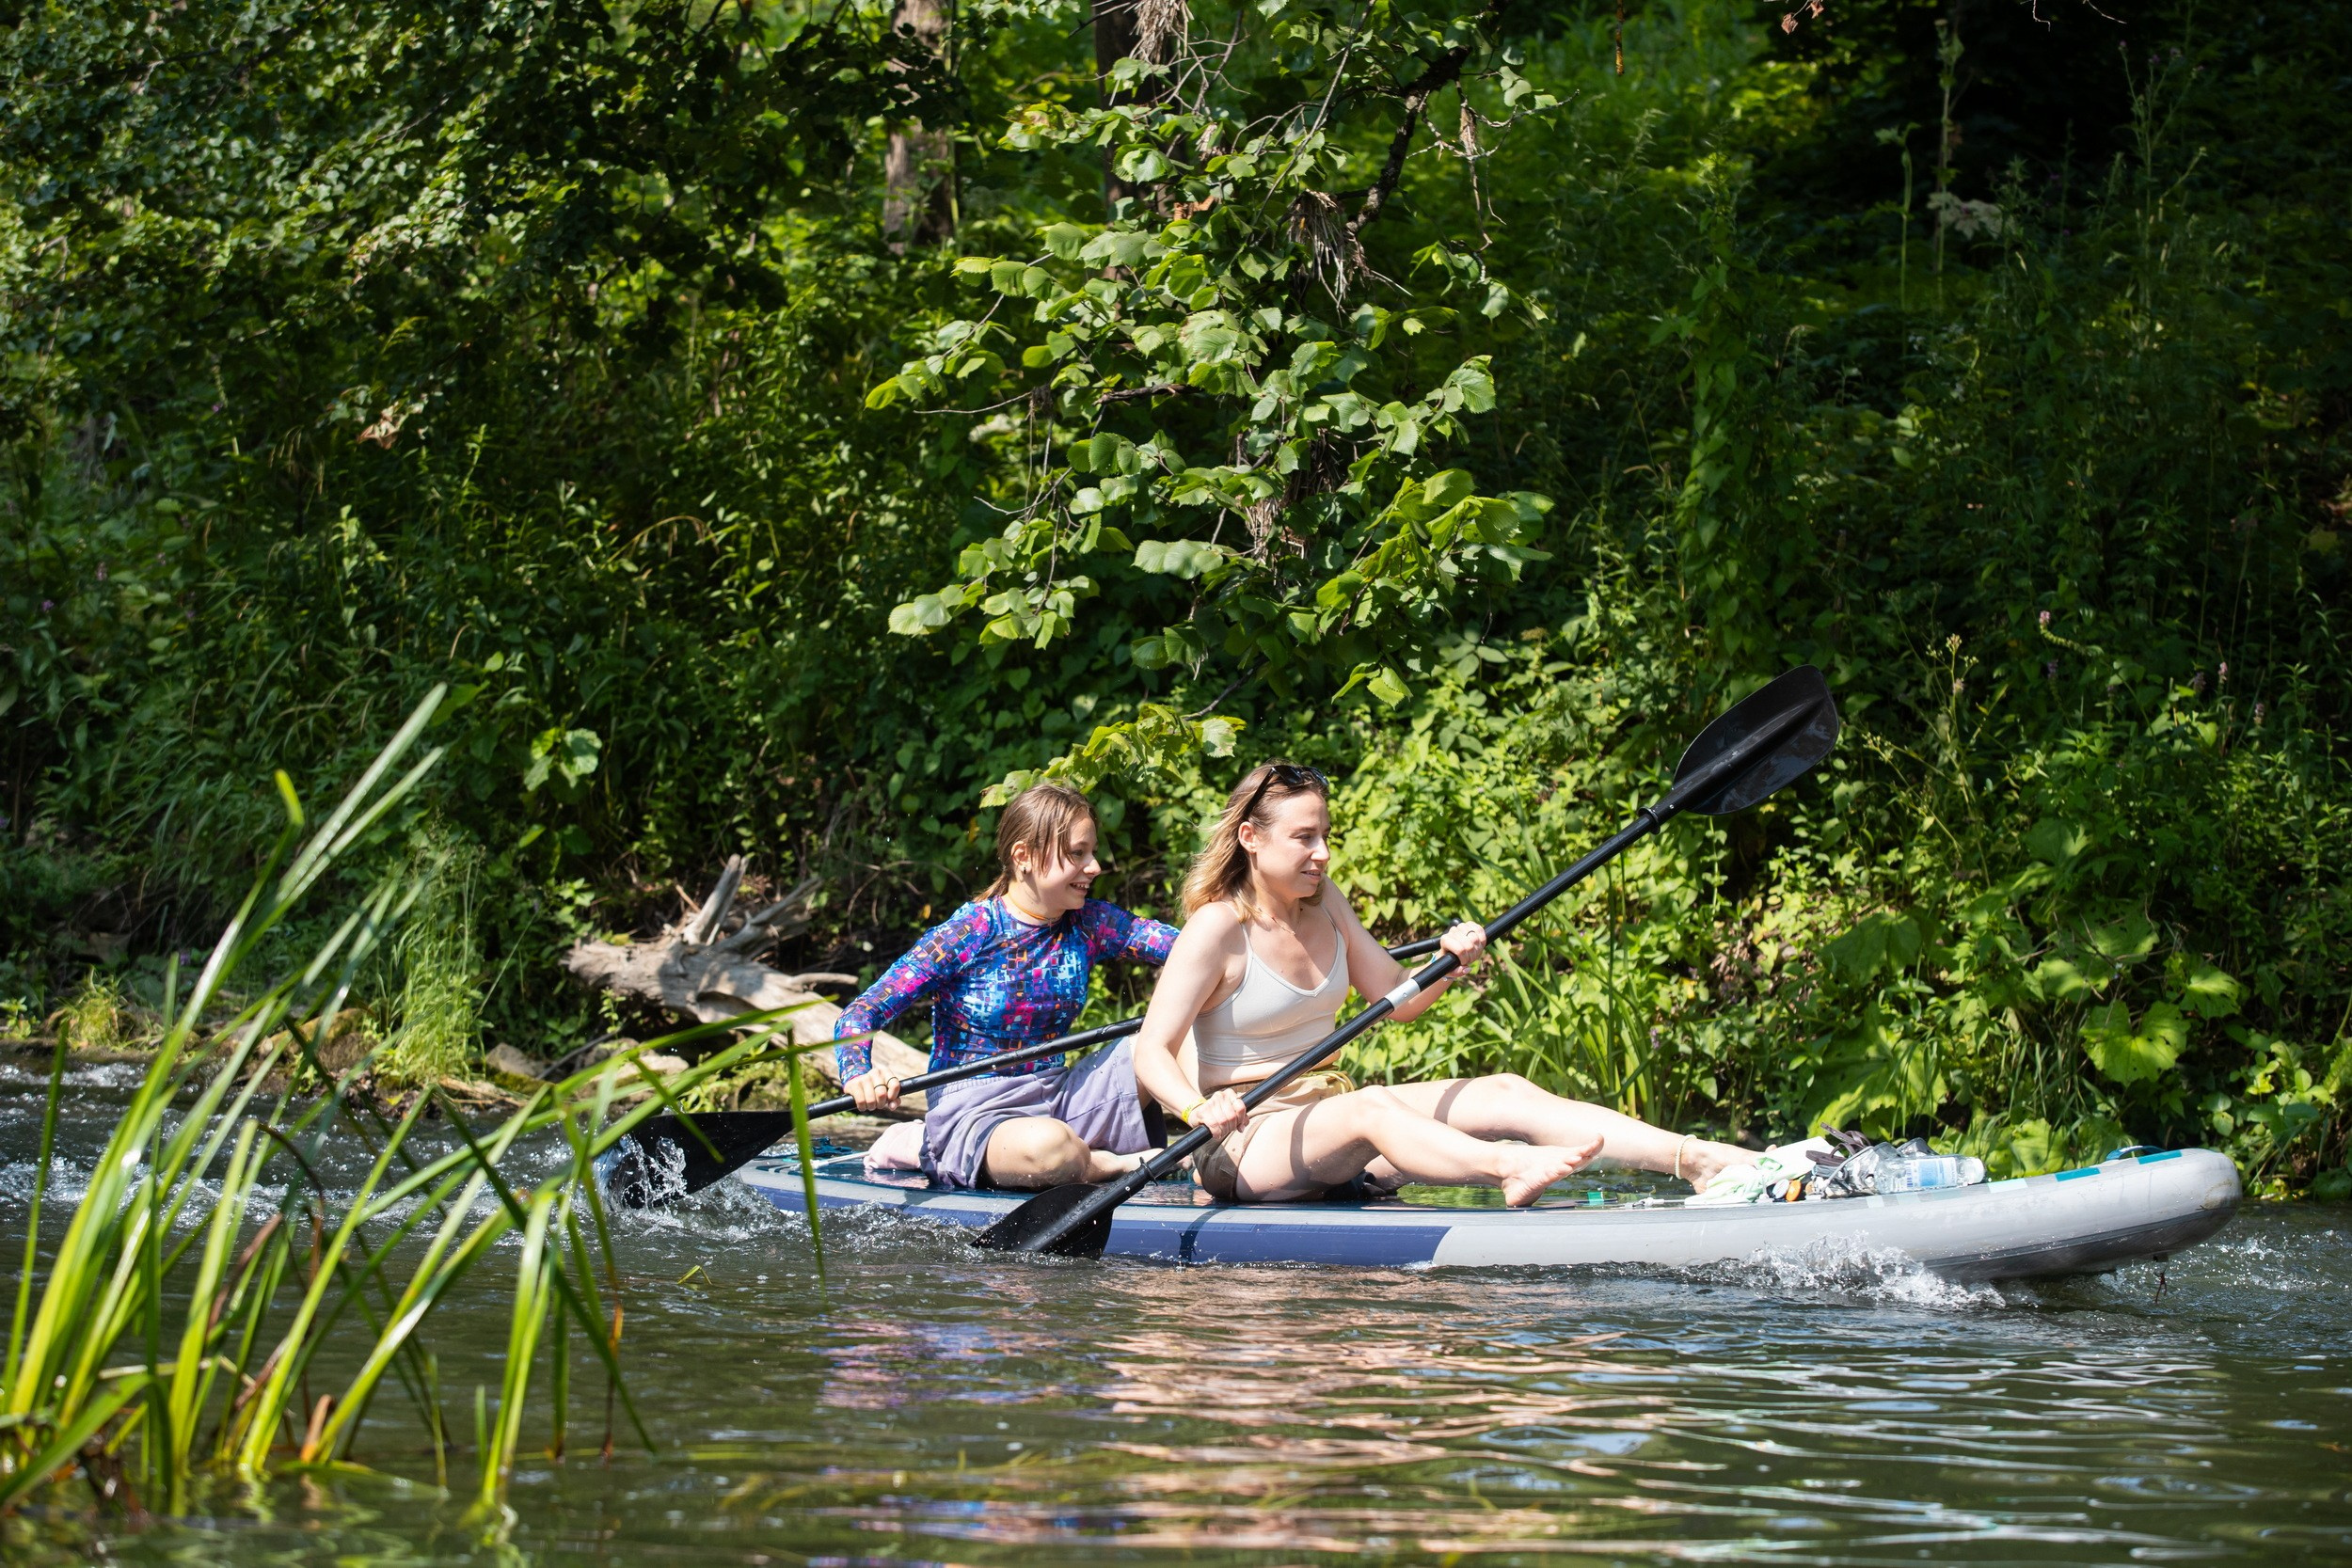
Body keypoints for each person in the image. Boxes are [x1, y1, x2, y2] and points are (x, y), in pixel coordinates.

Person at [1129, 762, 1757, 1206]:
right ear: (1251, 839)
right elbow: (1150, 1050)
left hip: (1328, 1116)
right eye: (1304, 837)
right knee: (1373, 1104)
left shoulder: (1327, 906)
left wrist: (1451, 963)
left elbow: (1397, 997)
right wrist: (1195, 1106)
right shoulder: (1214, 929)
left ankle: (1701, 1159)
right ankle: (1507, 1167)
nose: (1322, 852)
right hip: (1244, 1144)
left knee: (1502, 1089)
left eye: (1325, 835)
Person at [834, 783, 1177, 1190]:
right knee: (1053, 1148)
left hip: (1062, 1096)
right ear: (1023, 857)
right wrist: (858, 1072)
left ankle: (1232, 1147)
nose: (1095, 866)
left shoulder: (1089, 923)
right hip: (976, 1110)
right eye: (1077, 854)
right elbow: (862, 1012)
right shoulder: (971, 930)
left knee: (1177, 1036)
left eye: (1093, 852)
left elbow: (1190, 952)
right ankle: (1105, 1164)